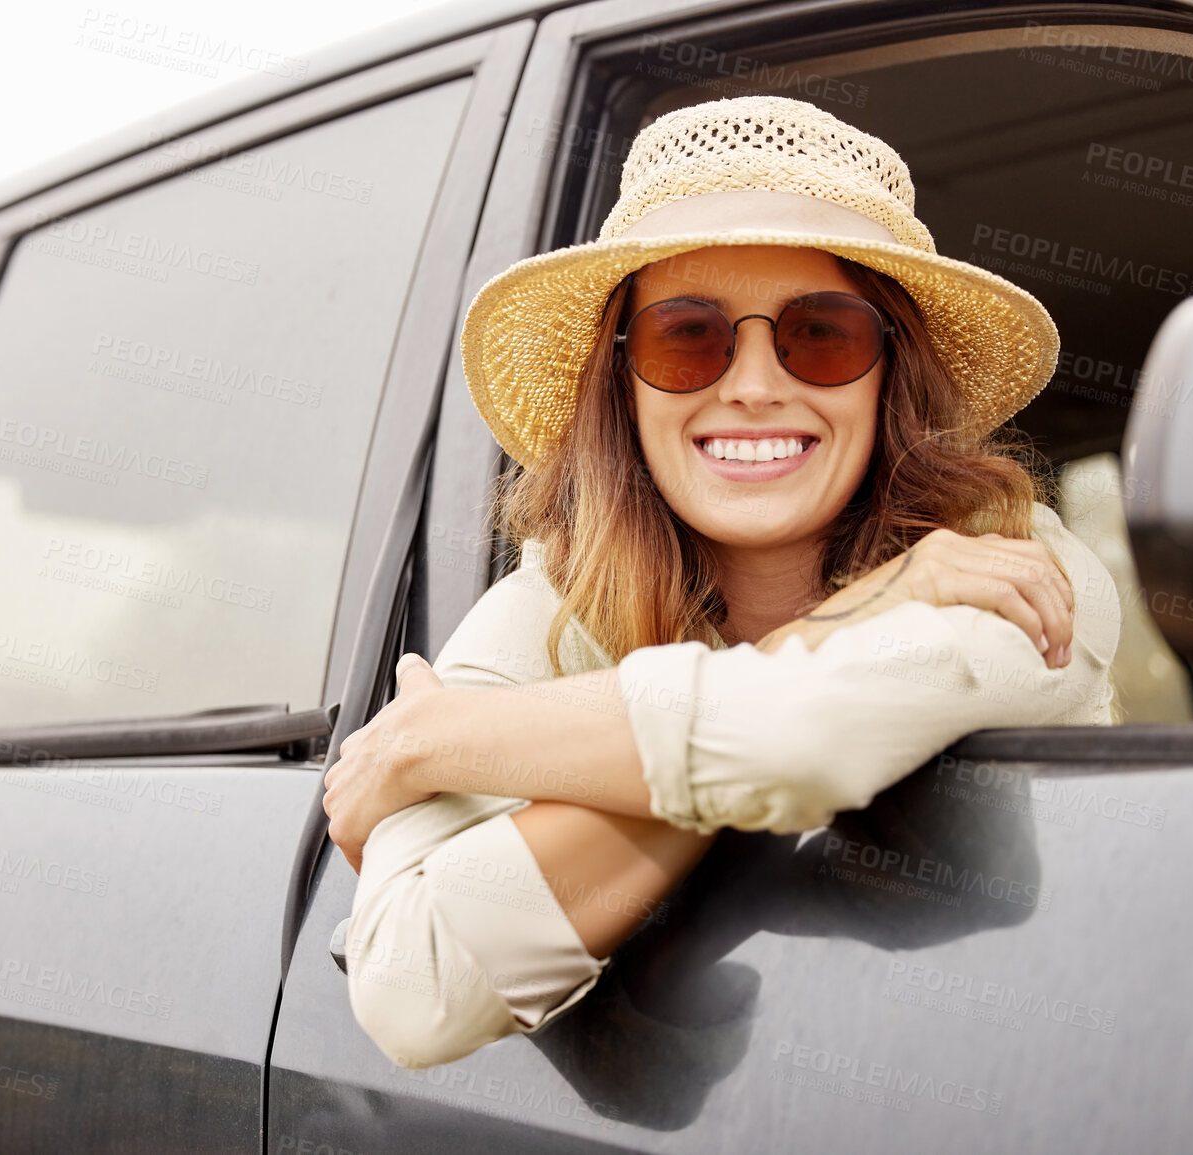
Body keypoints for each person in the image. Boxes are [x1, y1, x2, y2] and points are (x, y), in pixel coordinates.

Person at [320, 95, 1120, 1070]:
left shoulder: (1010, 558)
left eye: (821, 334)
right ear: (621, 383)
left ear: (888, 373)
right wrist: (865, 615)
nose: (750, 385)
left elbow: (802, 741)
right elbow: (411, 997)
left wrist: (439, 740)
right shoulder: (551, 605)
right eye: (685, 337)